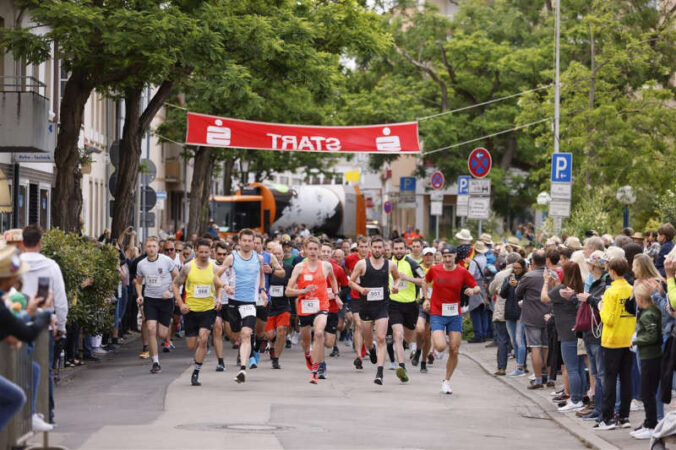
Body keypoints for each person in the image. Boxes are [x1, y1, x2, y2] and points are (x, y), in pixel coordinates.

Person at [19, 224, 68, 425]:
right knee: (44, 369)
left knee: (19, 368)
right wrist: (62, 326)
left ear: (22, 243)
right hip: (44, 325)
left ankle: (21, 415)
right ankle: (46, 413)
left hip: (17, 322)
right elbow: (60, 299)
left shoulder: (14, 265)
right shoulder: (51, 266)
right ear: (40, 242)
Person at [422, 246, 479, 394]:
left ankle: (446, 381)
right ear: (441, 257)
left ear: (455, 256)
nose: (447, 259)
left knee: (454, 349)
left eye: (450, 256)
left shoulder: (462, 271)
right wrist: (426, 298)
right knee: (441, 346)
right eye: (445, 256)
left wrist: (472, 290)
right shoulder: (435, 270)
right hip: (437, 312)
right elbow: (424, 282)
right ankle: (435, 348)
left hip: (454, 314)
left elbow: (477, 287)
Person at [172, 239, 228, 386]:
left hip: (208, 309)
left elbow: (218, 286)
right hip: (190, 310)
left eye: (206, 252)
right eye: (201, 252)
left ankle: (196, 372)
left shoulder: (214, 268)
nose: (204, 254)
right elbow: (175, 285)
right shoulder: (188, 267)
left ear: (211, 252)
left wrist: (219, 299)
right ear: (195, 251)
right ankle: (200, 352)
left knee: (203, 338)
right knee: (191, 345)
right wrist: (181, 304)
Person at [348, 237, 401, 385]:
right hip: (365, 307)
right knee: (368, 340)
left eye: (380, 247)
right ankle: (371, 349)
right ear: (371, 248)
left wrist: (395, 286)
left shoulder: (390, 264)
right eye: (375, 247)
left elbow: (397, 278)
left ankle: (379, 373)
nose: (377, 250)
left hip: (382, 307)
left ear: (384, 249)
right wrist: (361, 289)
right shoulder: (362, 264)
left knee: (381, 338)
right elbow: (350, 282)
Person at [285, 237, 338, 384]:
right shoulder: (299, 268)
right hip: (305, 308)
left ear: (320, 250)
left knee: (320, 333)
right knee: (306, 341)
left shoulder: (326, 266)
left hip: (322, 306)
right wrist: (303, 291)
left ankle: (316, 369)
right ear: (305, 250)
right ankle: (308, 354)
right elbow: (288, 292)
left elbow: (333, 279)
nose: (313, 252)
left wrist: (336, 293)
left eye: (316, 249)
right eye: (310, 249)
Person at [220, 229, 267, 383]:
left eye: (250, 241)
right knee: (235, 335)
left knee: (246, 334)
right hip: (233, 302)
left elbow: (261, 274)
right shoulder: (231, 258)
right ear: (239, 242)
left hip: (249, 302)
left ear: (254, 242)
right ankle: (240, 349)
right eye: (244, 240)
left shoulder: (258, 258)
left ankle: (243, 368)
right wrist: (225, 286)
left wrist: (262, 290)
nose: (247, 243)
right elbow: (216, 276)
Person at [595, 257, 636, 430]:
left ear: (612, 271)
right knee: (626, 379)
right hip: (628, 338)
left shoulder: (611, 292)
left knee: (610, 379)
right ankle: (624, 416)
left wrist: (600, 308)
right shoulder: (631, 289)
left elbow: (609, 320)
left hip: (612, 340)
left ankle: (607, 418)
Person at [541, 261, 586, 412]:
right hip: (579, 331)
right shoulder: (580, 286)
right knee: (579, 367)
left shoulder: (562, 289)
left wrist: (546, 282)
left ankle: (575, 399)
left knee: (572, 368)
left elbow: (545, 298)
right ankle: (580, 397)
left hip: (566, 332)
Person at [574, 250, 610, 421]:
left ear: (595, 266)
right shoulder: (596, 282)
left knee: (600, 373)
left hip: (597, 333)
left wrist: (588, 299)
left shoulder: (604, 284)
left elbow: (601, 306)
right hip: (590, 332)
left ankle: (602, 409)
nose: (587, 265)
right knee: (595, 372)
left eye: (589, 263)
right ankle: (598, 406)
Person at [135, 236, 179, 374]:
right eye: (149, 246)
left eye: (154, 246)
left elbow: (178, 277)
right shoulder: (141, 264)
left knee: (162, 333)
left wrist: (170, 290)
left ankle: (168, 324)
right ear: (145, 248)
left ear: (158, 248)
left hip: (166, 300)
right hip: (150, 299)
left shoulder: (166, 261)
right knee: (151, 328)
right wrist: (140, 295)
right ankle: (155, 362)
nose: (151, 249)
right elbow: (138, 281)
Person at [389, 238, 425, 382]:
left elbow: (423, 280)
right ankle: (402, 367)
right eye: (396, 248)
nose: (398, 251)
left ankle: (409, 346)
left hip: (410, 304)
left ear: (405, 250)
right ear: (392, 249)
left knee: (409, 336)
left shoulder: (412, 263)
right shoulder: (388, 263)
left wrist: (407, 278)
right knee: (397, 334)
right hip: (393, 303)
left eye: (400, 248)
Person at [630, 282, 662, 440]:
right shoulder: (650, 311)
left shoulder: (649, 313)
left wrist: (636, 340)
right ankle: (649, 422)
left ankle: (651, 425)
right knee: (648, 393)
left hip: (650, 357)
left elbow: (652, 335)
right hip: (648, 356)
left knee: (648, 393)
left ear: (640, 298)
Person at [516, 249, 551, 389]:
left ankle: (537, 379)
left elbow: (517, 292)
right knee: (547, 347)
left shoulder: (528, 276)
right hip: (548, 315)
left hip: (531, 316)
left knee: (535, 347)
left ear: (533, 262)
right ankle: (549, 377)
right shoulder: (551, 274)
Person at [489, 252, 522, 376]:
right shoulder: (522, 273)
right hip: (517, 310)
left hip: (501, 311)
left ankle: (501, 368)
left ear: (507, 262)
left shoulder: (499, 275)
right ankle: (521, 365)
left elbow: (491, 290)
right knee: (518, 340)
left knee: (502, 340)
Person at [320, 242, 348, 379]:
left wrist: (337, 296)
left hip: (332, 308)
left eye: (327, 251)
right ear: (319, 252)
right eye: (323, 251)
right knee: (319, 335)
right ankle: (321, 365)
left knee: (329, 342)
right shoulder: (312, 267)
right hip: (317, 308)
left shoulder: (337, 269)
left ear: (331, 253)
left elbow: (346, 286)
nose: (325, 253)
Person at [265, 243, 293, 369]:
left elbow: (293, 284)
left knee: (281, 331)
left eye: (279, 253)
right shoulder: (267, 269)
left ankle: (276, 358)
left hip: (283, 306)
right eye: (274, 254)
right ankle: (272, 345)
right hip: (270, 306)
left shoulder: (289, 268)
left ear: (283, 254)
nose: (277, 256)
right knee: (270, 335)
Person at [344, 236, 370, 369]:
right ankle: (359, 356)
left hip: (370, 297)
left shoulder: (373, 258)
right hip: (356, 296)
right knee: (358, 325)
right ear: (357, 247)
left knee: (367, 326)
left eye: (366, 246)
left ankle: (367, 346)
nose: (364, 249)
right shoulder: (350, 259)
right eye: (361, 246)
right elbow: (349, 274)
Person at [501, 256, 528, 377]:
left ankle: (521, 367)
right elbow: (502, 294)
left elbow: (526, 294)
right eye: (514, 268)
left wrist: (518, 285)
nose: (516, 270)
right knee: (514, 341)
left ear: (523, 268)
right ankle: (518, 364)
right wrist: (508, 284)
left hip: (521, 312)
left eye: (518, 268)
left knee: (519, 340)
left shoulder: (525, 279)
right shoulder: (508, 278)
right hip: (509, 311)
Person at [412, 247, 435, 373]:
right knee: (419, 329)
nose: (428, 257)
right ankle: (418, 351)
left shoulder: (437, 268)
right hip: (421, 302)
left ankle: (423, 361)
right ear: (423, 256)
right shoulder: (418, 268)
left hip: (435, 304)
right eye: (426, 255)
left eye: (431, 255)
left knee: (427, 336)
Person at [212, 242, 231, 372]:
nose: (222, 256)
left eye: (224, 254)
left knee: (232, 334)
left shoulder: (232, 266)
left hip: (230, 302)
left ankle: (242, 350)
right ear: (215, 253)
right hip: (215, 303)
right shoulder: (210, 265)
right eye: (219, 254)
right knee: (217, 328)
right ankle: (220, 361)